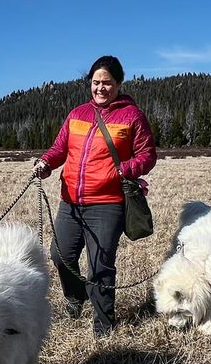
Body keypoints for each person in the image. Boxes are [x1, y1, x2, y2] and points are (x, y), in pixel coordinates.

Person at [33, 55, 158, 337]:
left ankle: (103, 326)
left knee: (100, 264)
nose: (101, 88)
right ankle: (76, 297)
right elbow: (59, 149)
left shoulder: (132, 116)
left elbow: (147, 155)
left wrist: (123, 169)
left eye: (107, 83)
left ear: (118, 84)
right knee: (60, 255)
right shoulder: (77, 114)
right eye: (96, 82)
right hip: (71, 202)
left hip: (107, 204)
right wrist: (45, 163)